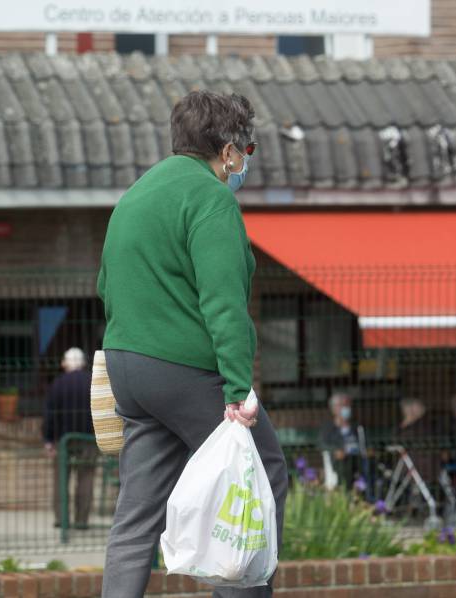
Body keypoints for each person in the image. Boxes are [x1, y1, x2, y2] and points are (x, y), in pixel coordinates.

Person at [97, 90, 288, 598]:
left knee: (137, 514)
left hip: (128, 369)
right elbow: (223, 301)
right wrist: (236, 388)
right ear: (227, 150)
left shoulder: (139, 192)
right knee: (256, 475)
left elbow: (106, 285)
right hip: (186, 368)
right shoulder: (209, 198)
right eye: (247, 151)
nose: (245, 162)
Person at [43, 347, 96, 530]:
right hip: (88, 437)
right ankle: (81, 520)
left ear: (64, 363)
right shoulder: (92, 381)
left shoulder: (57, 383)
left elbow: (50, 414)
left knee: (61, 479)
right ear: (82, 363)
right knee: (86, 478)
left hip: (63, 439)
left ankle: (61, 518)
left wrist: (49, 439)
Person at [318, 393, 362, 491]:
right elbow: (322, 445)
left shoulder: (356, 427)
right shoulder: (328, 428)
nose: (346, 408)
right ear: (334, 409)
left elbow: (363, 444)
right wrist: (336, 450)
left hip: (357, 463)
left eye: (348, 405)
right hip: (338, 465)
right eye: (342, 405)